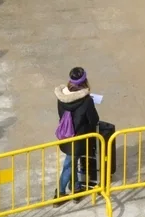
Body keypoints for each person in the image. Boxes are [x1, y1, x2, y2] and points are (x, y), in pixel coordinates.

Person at [54, 67, 100, 198]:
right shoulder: (87, 100)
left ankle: (76, 187)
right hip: (79, 139)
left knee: (72, 161)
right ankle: (60, 193)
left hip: (65, 135)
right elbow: (94, 119)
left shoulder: (61, 97)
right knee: (69, 165)